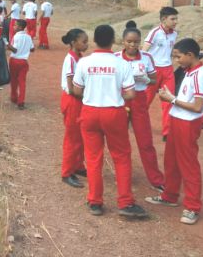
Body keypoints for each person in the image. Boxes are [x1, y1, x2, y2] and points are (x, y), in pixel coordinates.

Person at [72, 25, 147, 218]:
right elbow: (131, 93)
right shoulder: (121, 63)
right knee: (121, 157)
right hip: (114, 113)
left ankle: (95, 202)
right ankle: (125, 202)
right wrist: (114, 92)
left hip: (89, 112)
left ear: (95, 40)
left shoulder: (84, 62)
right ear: (113, 41)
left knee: (93, 157)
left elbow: (77, 91)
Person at [146, 38, 203, 225]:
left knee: (188, 164)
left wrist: (172, 99)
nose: (176, 60)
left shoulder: (200, 75)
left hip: (188, 124)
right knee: (171, 161)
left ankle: (192, 207)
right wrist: (171, 98)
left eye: (178, 57)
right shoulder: (187, 71)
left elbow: (198, 107)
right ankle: (170, 195)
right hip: (177, 119)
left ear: (190, 55)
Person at [117, 21, 165, 191]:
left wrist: (145, 79)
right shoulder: (116, 58)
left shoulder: (147, 57)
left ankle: (156, 178)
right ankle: (123, 174)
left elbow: (153, 80)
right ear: (123, 41)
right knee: (120, 141)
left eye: (136, 42)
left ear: (140, 41)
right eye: (129, 41)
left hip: (139, 99)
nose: (133, 45)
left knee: (145, 140)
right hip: (121, 99)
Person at [60, 28, 89, 188]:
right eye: (84, 41)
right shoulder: (71, 59)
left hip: (79, 100)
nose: (86, 44)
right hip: (73, 100)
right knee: (72, 138)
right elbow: (71, 88)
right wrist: (87, 95)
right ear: (73, 43)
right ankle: (67, 172)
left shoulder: (79, 57)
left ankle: (78, 165)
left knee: (80, 136)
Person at [143, 7, 179, 138]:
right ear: (164, 19)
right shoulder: (154, 33)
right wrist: (144, 69)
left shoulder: (175, 34)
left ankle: (167, 132)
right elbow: (144, 51)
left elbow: (170, 51)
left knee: (168, 100)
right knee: (145, 100)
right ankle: (133, 121)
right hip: (153, 70)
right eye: (173, 19)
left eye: (176, 19)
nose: (176, 21)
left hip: (168, 70)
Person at [7, 19, 34, 110]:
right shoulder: (28, 37)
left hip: (14, 60)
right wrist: (25, 49)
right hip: (23, 62)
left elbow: (15, 50)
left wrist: (7, 45)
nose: (13, 26)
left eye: (15, 25)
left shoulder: (16, 37)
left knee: (14, 80)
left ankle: (14, 97)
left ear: (20, 27)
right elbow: (32, 49)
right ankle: (21, 101)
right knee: (22, 82)